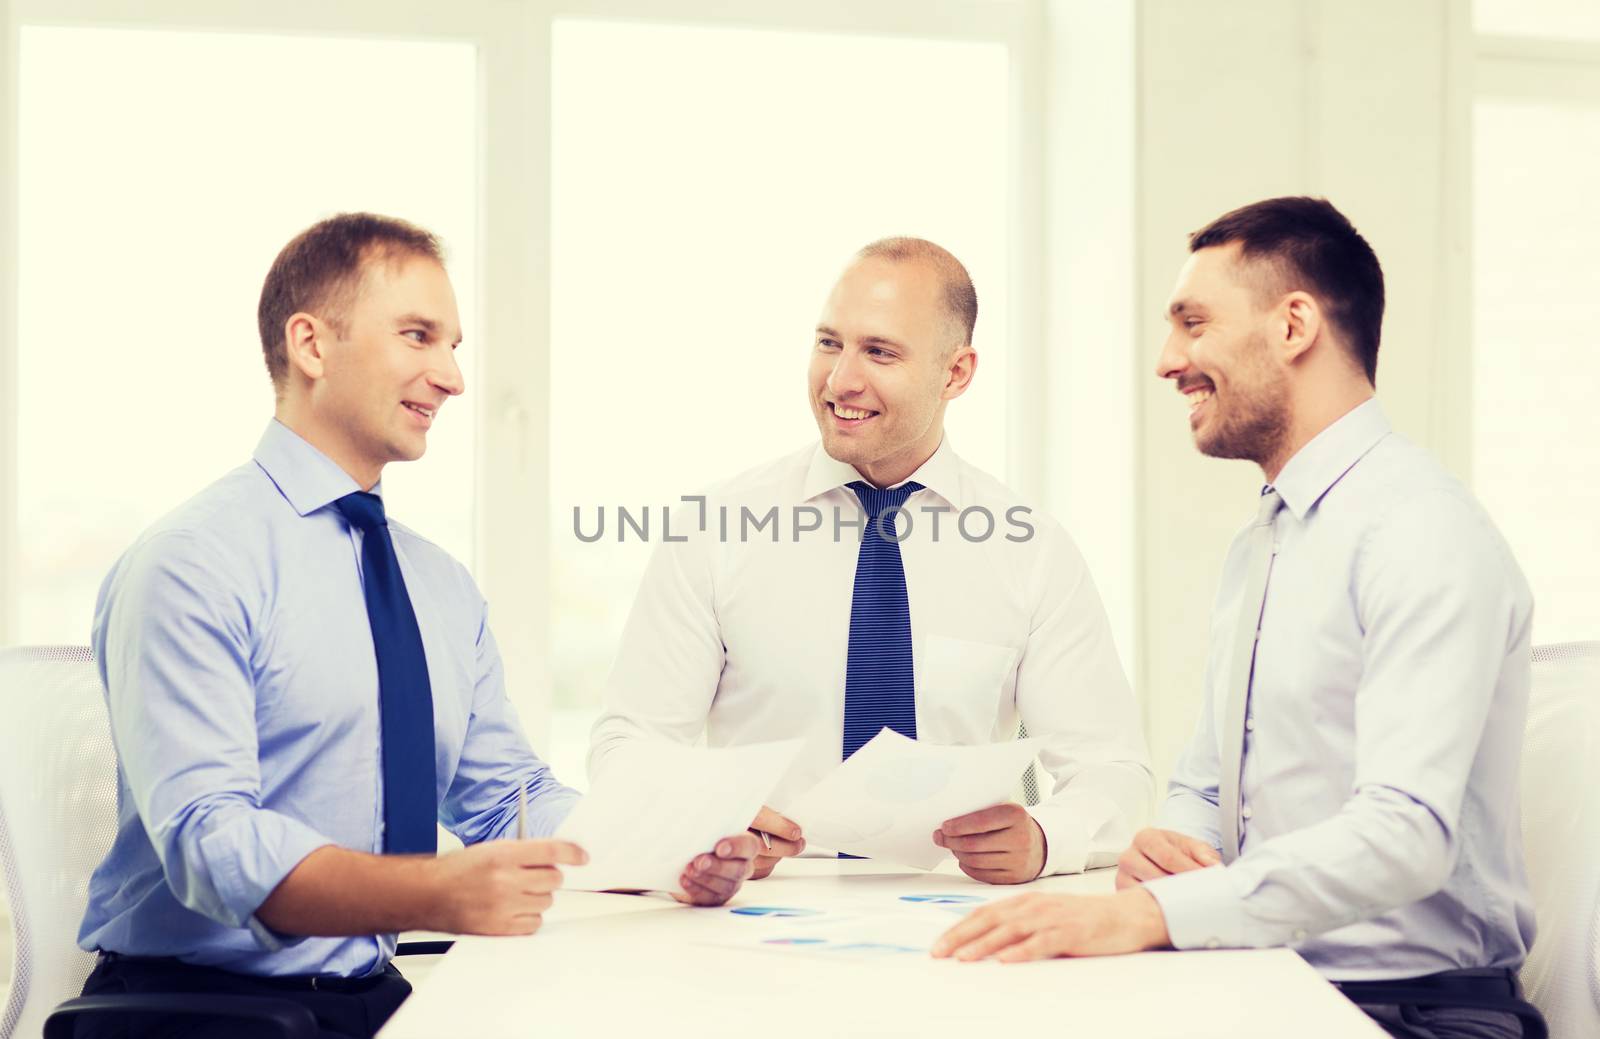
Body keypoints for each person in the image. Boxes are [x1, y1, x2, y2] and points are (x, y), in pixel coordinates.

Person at [76, 213, 759, 1039]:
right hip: (199, 1011)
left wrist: (665, 855)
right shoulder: (193, 562)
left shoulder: (436, 585)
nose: (452, 377)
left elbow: (511, 796)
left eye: (454, 345)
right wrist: (431, 890)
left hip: (369, 995)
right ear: (312, 346)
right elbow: (212, 843)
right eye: (418, 335)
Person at [931, 197, 1545, 1039]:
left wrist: (1153, 917)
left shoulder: (1421, 531)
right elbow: (1205, 784)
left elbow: (1407, 835)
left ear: (1294, 325)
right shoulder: (1267, 538)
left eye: (1192, 322)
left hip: (1410, 1011)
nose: (1166, 360)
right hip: (1262, 980)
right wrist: (1166, 855)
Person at [589, 237, 1151, 884]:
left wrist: (1045, 839)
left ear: (957, 372)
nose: (840, 380)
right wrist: (701, 821)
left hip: (958, 914)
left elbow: (1114, 772)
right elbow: (627, 747)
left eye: (879, 351)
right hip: (755, 920)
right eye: (830, 343)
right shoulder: (714, 532)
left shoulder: (1031, 551)